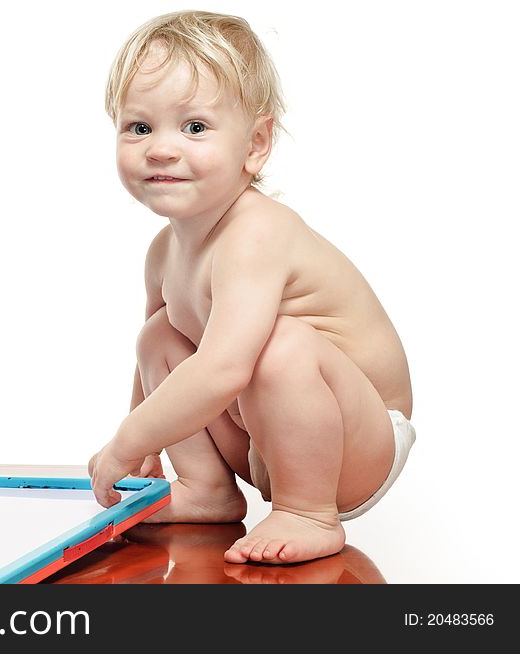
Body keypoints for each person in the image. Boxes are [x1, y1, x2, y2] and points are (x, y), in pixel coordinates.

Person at [87, 10, 415, 564]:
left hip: (357, 440)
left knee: (277, 344)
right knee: (157, 336)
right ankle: (208, 489)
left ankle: (309, 512)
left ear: (256, 144)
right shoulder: (163, 253)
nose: (161, 148)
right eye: (139, 127)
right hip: (265, 431)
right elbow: (155, 376)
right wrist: (142, 446)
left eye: (194, 127)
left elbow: (223, 369)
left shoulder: (257, 232)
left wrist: (126, 443)